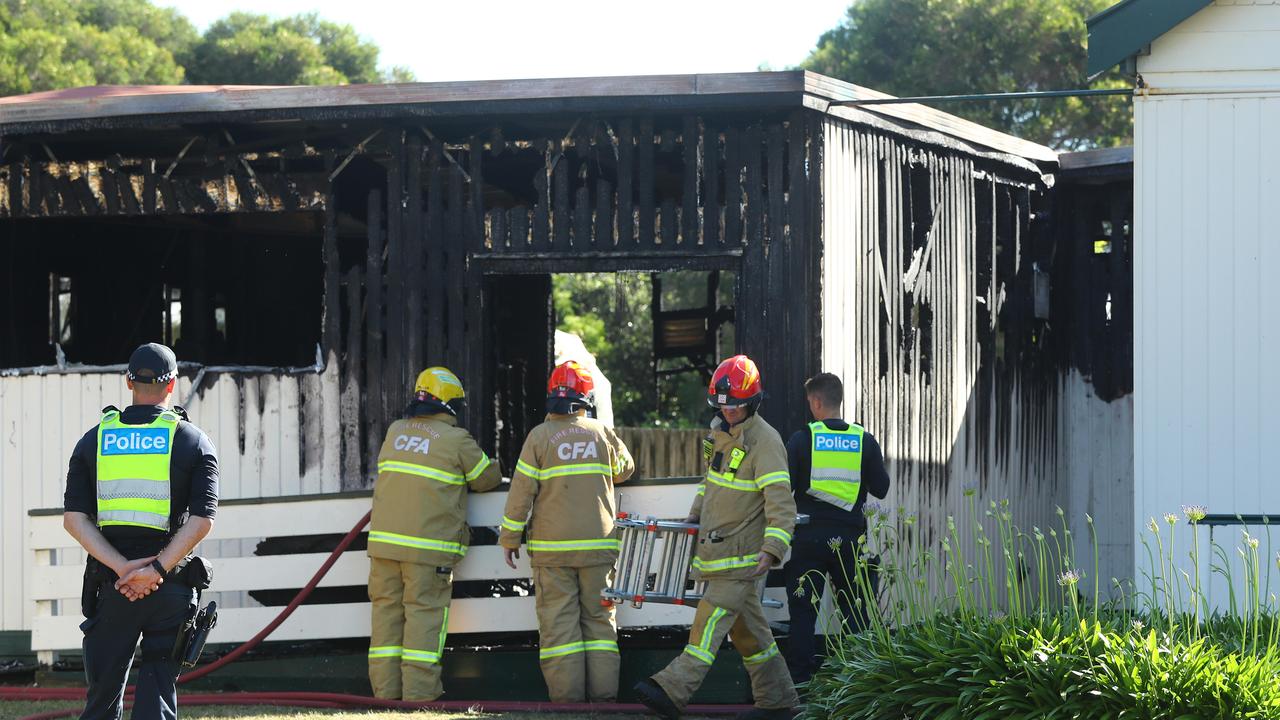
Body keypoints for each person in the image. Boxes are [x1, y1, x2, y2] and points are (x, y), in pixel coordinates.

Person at [634, 354, 799, 720]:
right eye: (723, 408)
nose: (728, 414)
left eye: (736, 408)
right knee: (750, 635)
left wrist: (773, 548)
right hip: (716, 553)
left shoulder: (766, 442)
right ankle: (779, 702)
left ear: (753, 402)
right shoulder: (717, 434)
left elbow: (781, 503)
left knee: (707, 622)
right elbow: (710, 482)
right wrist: (694, 513)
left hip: (742, 559)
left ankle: (672, 690)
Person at [62, 343, 219, 720]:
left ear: (128, 381)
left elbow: (74, 519)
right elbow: (202, 521)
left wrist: (123, 569)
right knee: (157, 691)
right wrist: (157, 571)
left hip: (113, 588)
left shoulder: (93, 440)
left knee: (101, 700)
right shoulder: (192, 441)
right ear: (173, 385)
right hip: (171, 588)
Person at [499, 361, 635, 703]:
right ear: (586, 398)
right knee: (600, 626)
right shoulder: (601, 432)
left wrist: (510, 538)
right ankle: (604, 702)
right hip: (598, 550)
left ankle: (567, 702)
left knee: (560, 628)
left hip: (552, 552)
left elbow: (520, 493)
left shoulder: (539, 437)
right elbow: (625, 469)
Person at [367, 367, 502, 701]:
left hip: (383, 547)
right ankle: (420, 697)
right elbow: (487, 478)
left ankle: (385, 696)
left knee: (386, 619)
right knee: (424, 621)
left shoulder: (395, 431)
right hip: (427, 552)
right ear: (449, 404)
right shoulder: (456, 440)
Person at [782, 372, 890, 684]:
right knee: (855, 614)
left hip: (809, 538)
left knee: (803, 615)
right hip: (850, 540)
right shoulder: (863, 440)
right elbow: (881, 488)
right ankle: (857, 686)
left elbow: (784, 487)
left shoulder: (803, 439)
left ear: (816, 402)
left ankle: (800, 688)